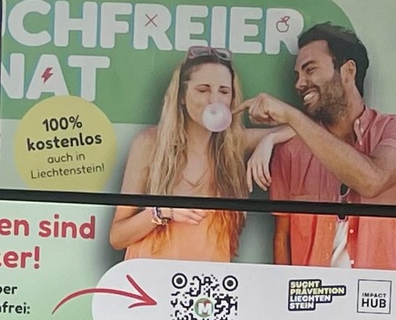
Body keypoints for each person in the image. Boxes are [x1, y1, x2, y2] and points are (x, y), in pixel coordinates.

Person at [238, 22, 396, 271]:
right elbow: (282, 239)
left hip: (382, 292)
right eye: (298, 75)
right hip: (310, 293)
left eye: (310, 70)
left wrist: (291, 117)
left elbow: (372, 180)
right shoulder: (291, 151)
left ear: (348, 71)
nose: (300, 83)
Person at [109, 47, 292, 262]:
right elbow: (118, 237)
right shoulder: (150, 143)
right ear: (182, 96)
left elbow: (305, 129)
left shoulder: (234, 144)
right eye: (203, 90)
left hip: (208, 280)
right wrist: (163, 211)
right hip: (153, 277)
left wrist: (270, 139)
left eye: (224, 91)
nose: (214, 100)